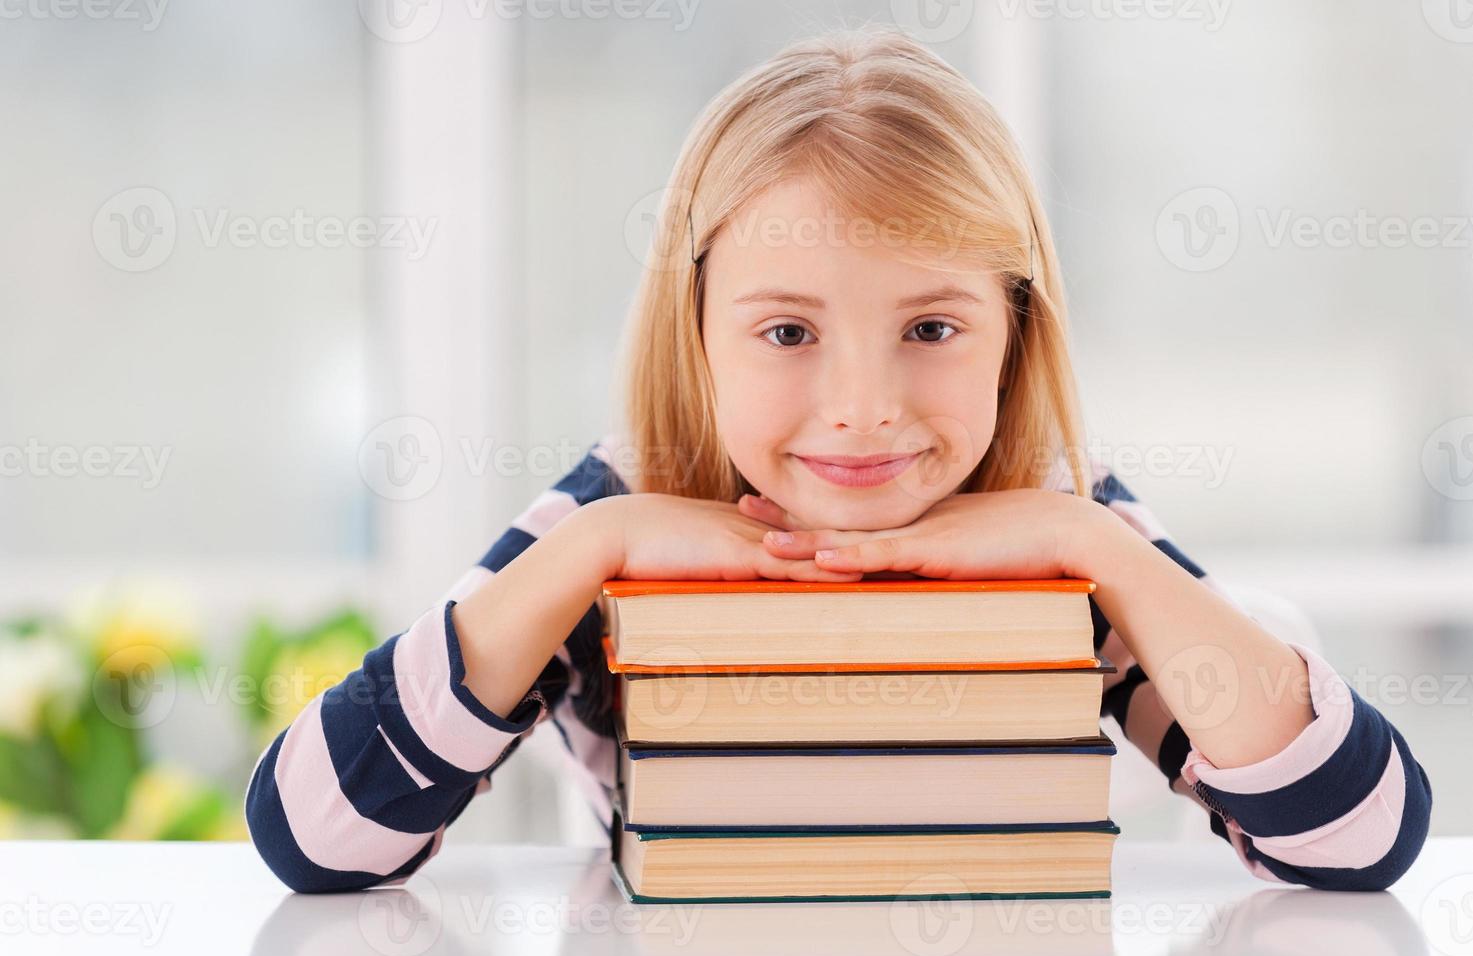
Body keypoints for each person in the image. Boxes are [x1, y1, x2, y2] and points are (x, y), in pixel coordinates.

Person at [246, 26, 1431, 894]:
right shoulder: (624, 499)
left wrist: (1089, 545)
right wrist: (594, 547)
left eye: (931, 328)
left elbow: (1359, 836)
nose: (862, 409)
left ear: (1014, 331)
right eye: (787, 332)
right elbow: (314, 832)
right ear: (694, 331)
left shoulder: (1061, 514)